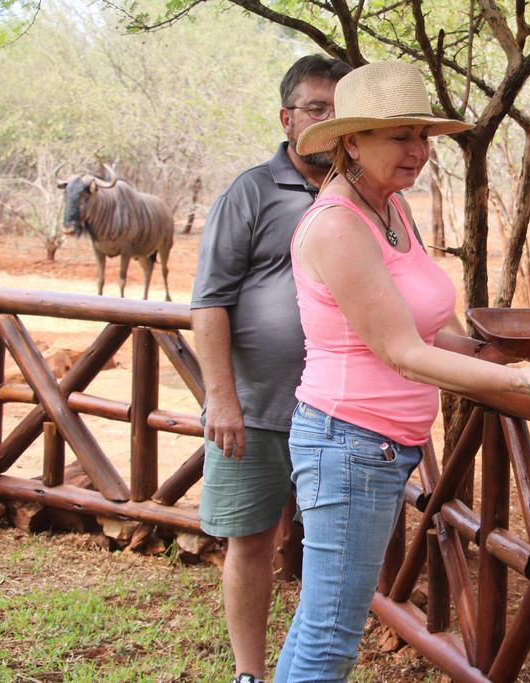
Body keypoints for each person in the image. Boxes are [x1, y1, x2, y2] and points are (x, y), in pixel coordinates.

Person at [273, 61, 530, 682]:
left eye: (422, 135)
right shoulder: (339, 226)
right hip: (349, 443)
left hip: (379, 446)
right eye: (399, 136)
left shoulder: (392, 211)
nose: (419, 151)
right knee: (331, 634)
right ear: (350, 143)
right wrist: (518, 382)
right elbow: (400, 352)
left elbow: (431, 332)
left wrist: (501, 355)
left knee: (324, 622)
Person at [190, 54, 351, 683]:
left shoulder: (361, 198)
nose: (326, 123)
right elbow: (209, 302)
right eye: (315, 109)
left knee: (328, 553)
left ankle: (310, 670)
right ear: (288, 118)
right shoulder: (250, 192)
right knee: (252, 541)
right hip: (256, 409)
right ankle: (251, 674)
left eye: (339, 113)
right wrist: (222, 399)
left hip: (339, 412)